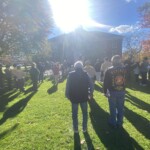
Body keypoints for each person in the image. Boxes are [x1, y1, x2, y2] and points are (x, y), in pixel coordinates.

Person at [65, 61, 92, 133]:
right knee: (84, 113)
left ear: (75, 67)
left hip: (74, 97)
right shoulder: (86, 74)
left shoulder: (71, 74)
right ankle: (84, 128)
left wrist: (67, 94)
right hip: (84, 96)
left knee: (74, 113)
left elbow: (67, 85)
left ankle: (76, 129)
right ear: (82, 67)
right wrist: (91, 93)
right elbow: (91, 84)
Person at [103, 55, 126, 128]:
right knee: (120, 107)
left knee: (112, 108)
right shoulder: (124, 69)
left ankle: (113, 122)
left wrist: (104, 91)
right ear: (120, 61)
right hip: (122, 90)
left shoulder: (109, 70)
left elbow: (105, 82)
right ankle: (120, 122)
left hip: (112, 91)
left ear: (112, 61)